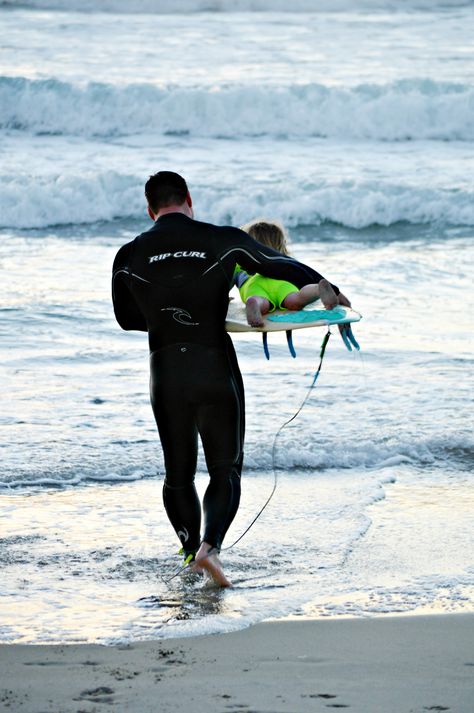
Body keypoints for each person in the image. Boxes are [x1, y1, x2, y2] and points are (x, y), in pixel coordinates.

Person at [112, 171, 352, 587]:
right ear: (189, 198)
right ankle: (211, 549)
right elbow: (279, 264)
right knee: (225, 469)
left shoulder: (128, 254)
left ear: (150, 209)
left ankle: (189, 551)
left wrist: (168, 313)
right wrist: (325, 285)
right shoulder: (220, 238)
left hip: (165, 373)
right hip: (214, 369)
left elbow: (127, 319)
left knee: (178, 474)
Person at [237, 219, 338, 327]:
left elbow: (226, 281)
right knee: (296, 299)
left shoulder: (241, 264)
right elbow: (303, 273)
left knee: (261, 301)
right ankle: (317, 289)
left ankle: (254, 302)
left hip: (254, 283)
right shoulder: (286, 262)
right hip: (282, 281)